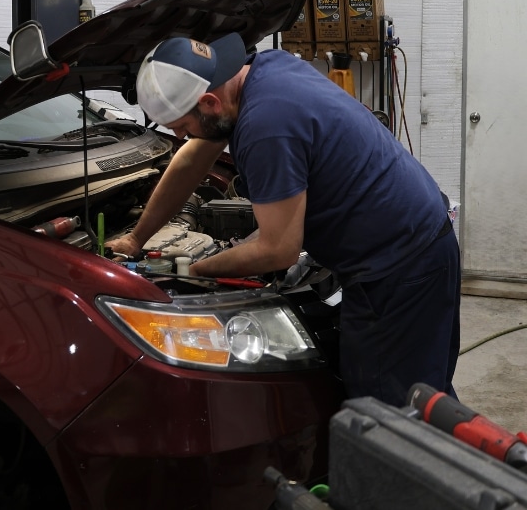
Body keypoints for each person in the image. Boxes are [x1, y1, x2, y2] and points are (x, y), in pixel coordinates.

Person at [106, 33, 461, 406]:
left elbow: (278, 250)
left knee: (392, 412)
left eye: (181, 127)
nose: (181, 136)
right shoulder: (261, 72)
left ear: (208, 102)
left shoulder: (266, 125)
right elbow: (192, 159)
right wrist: (136, 238)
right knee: (424, 396)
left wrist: (195, 272)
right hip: (415, 241)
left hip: (399, 269)